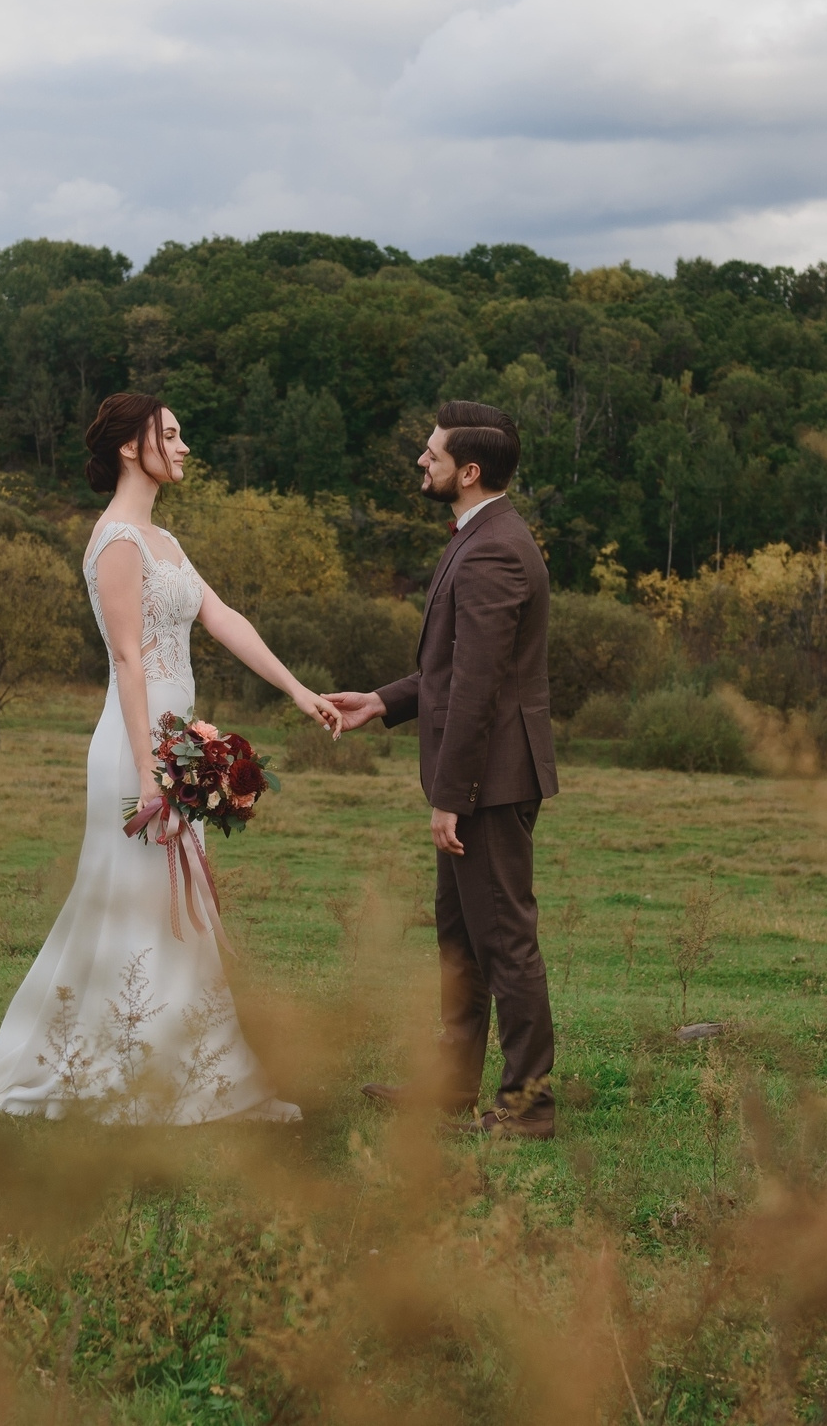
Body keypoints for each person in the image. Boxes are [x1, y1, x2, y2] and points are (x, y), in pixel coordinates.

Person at [0, 393, 334, 1124]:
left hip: (175, 742)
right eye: (172, 433)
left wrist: (297, 688)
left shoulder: (164, 541)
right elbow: (130, 660)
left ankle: (197, 1069)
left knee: (172, 909)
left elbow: (221, 617)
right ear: (134, 447)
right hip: (137, 747)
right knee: (136, 905)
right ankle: (126, 1066)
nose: (185, 445)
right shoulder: (118, 542)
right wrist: (151, 771)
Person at [327, 401, 560, 1139]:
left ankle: (528, 1109)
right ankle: (452, 1086)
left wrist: (451, 797)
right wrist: (382, 702)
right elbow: (452, 665)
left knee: (505, 942)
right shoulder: (479, 533)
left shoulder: (493, 549)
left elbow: (479, 685)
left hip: (489, 782)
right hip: (477, 778)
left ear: (469, 471)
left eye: (430, 455)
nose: (419, 463)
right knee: (461, 941)